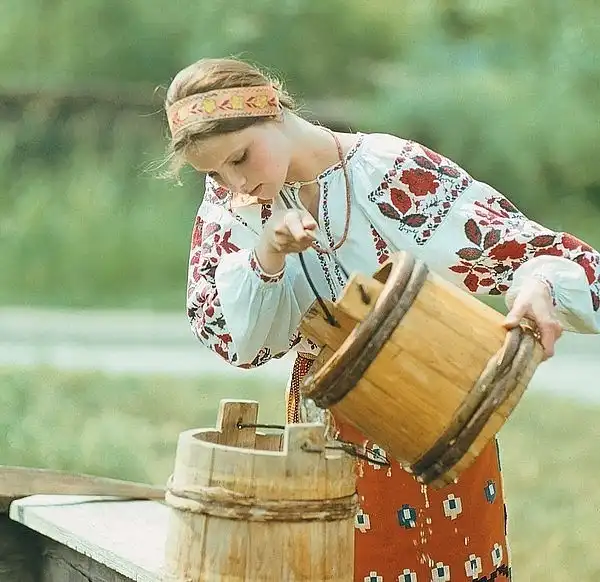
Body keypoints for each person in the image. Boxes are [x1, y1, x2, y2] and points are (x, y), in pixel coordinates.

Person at [163, 57, 600, 581]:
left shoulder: (389, 171)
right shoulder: (231, 206)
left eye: (240, 157)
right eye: (214, 173)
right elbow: (236, 341)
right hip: (324, 436)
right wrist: (268, 251)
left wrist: (538, 287)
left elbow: (535, 252)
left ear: (272, 109)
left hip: (436, 417)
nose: (235, 181)